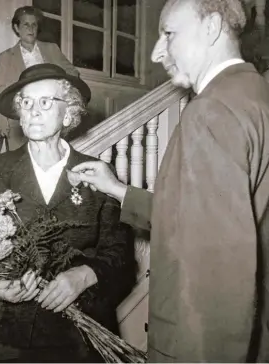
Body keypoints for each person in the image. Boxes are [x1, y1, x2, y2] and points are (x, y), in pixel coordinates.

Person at [70, 0, 269, 361]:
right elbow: (203, 218)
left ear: (211, 28)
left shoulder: (210, 111)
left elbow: (215, 265)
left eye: (169, 34)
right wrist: (118, 190)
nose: (156, 52)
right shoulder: (254, 94)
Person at [0, 63, 135, 363]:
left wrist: (86, 275)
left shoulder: (97, 173)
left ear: (69, 111)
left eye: (45, 101)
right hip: (3, 340)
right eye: (26, 102)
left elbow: (121, 255)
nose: (33, 111)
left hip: (79, 342)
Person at [0, 6, 80, 151]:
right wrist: (2, 121)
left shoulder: (51, 49)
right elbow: (1, 88)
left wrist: (58, 86)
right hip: (20, 117)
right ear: (17, 28)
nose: (30, 28)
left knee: (50, 152)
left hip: (49, 112)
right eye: (25, 24)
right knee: (21, 160)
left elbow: (72, 73)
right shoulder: (6, 56)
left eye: (34, 24)